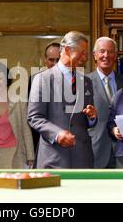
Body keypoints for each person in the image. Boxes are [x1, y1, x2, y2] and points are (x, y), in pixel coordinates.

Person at [28, 31, 97, 168]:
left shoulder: (86, 81)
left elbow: (88, 121)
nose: (85, 58)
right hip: (53, 158)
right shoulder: (42, 79)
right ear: (67, 50)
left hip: (82, 158)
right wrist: (57, 134)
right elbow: (34, 117)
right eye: (82, 53)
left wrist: (92, 116)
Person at [87, 37, 123, 168]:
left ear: (115, 56)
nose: (106, 55)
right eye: (102, 51)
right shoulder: (84, 82)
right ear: (95, 55)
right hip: (95, 151)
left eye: (110, 52)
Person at [28, 41, 61, 167]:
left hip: (65, 138)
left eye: (58, 59)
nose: (54, 63)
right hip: (42, 138)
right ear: (45, 60)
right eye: (51, 60)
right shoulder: (35, 79)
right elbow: (32, 114)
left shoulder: (74, 79)